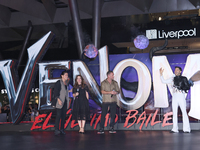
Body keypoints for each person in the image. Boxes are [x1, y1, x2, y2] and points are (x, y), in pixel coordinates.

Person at [160, 66, 191, 133]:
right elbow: (163, 81)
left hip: (181, 96)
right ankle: (175, 129)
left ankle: (186, 129)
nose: (176, 71)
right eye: (175, 70)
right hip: (175, 97)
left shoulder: (184, 78)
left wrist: (182, 87)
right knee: (174, 113)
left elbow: (187, 87)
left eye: (177, 70)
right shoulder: (172, 79)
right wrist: (161, 74)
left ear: (180, 71)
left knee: (184, 112)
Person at [53, 71, 70, 135]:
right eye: (65, 75)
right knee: (58, 115)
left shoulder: (66, 83)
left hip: (65, 102)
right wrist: (59, 100)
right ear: (62, 76)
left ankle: (62, 129)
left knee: (63, 116)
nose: (67, 76)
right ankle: (56, 129)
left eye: (67, 75)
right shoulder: (58, 82)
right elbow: (56, 92)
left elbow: (65, 92)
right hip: (59, 101)